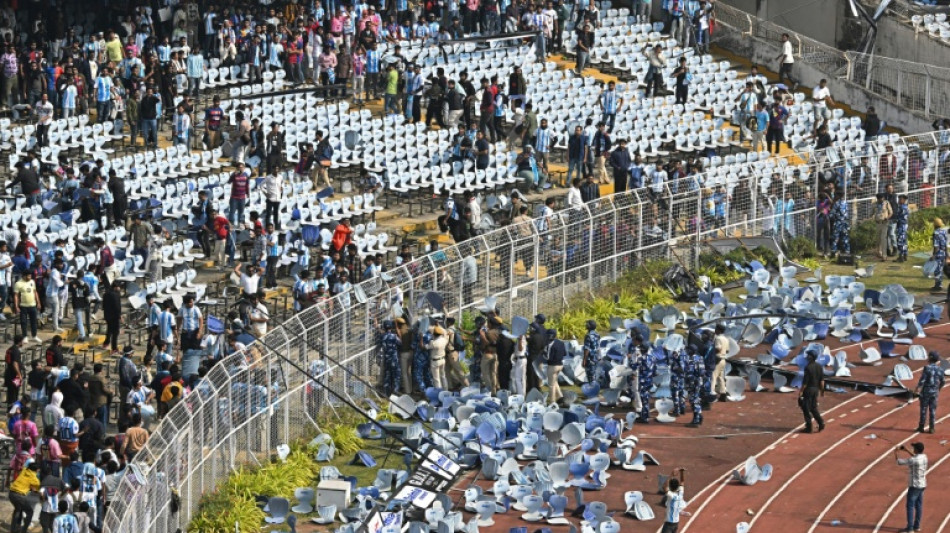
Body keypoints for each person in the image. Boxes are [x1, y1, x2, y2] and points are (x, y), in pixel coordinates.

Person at [894, 442, 927, 533]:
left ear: (916, 450)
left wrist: (896, 452)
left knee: (910, 506)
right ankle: (917, 526)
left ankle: (910, 528)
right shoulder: (924, 457)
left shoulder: (913, 460)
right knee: (919, 505)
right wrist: (907, 450)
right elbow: (915, 456)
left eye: (914, 448)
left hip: (914, 486)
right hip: (922, 484)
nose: (912, 449)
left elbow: (899, 462)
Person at [915, 351, 945, 433]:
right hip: (935, 392)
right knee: (932, 410)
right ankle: (932, 428)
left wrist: (917, 388)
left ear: (930, 358)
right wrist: (938, 388)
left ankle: (921, 426)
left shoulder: (927, 368)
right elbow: (943, 381)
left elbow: (922, 380)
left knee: (923, 409)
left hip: (926, 391)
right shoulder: (940, 369)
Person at [9, 460, 41, 533]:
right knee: (30, 512)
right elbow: (37, 489)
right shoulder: (34, 479)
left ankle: (13, 530)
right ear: (36, 470)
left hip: (11, 493)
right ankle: (24, 530)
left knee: (17, 510)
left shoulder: (25, 470)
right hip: (19, 495)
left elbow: (24, 466)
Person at [799, 349, 825, 433]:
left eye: (808, 355)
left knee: (805, 408)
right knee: (813, 407)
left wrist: (801, 392)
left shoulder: (808, 367)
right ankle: (821, 422)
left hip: (808, 390)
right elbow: (822, 381)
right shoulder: (819, 366)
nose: (807, 357)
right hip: (815, 390)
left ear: (811, 357)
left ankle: (809, 427)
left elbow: (805, 383)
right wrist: (822, 391)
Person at [661, 468, 688, 533]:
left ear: (670, 487)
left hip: (668, 525)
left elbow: (664, 486)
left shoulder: (671, 496)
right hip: (676, 524)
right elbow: (682, 482)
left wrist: (671, 475)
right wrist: (682, 472)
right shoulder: (680, 493)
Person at [543, 329, 566, 404]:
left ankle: (552, 401)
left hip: (552, 366)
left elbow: (548, 358)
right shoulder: (561, 342)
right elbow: (565, 353)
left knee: (551, 385)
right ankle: (560, 397)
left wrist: (543, 353)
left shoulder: (550, 344)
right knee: (554, 381)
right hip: (560, 365)